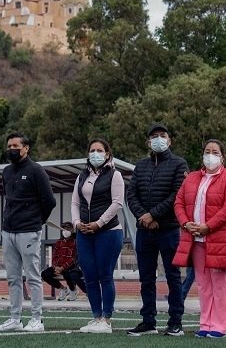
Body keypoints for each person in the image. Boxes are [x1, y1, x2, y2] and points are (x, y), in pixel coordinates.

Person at [173, 139, 226, 338]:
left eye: (214, 152)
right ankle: (206, 324)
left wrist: (207, 227)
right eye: (207, 151)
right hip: (195, 240)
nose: (210, 155)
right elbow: (178, 202)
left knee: (219, 283)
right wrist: (186, 224)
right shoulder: (192, 178)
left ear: (222, 157)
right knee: (203, 284)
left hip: (218, 238)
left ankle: (220, 326)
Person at [126, 123, 189, 337]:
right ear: (148, 141)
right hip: (144, 230)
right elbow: (131, 194)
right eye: (154, 136)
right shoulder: (140, 166)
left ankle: (175, 322)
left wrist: (153, 214)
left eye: (163, 135)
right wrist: (143, 217)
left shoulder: (179, 164)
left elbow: (177, 194)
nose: (158, 139)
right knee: (146, 278)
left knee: (173, 277)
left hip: (169, 229)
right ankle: (148, 321)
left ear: (169, 141)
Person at [0, 132, 57, 333]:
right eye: (9, 146)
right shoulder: (6, 172)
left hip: (28, 231)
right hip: (8, 231)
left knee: (32, 276)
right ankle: (15, 318)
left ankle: (37, 319)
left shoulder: (36, 170)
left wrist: (38, 221)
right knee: (13, 277)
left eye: (15, 146)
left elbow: (50, 201)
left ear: (26, 148)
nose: (11, 149)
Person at [71, 138, 124, 334]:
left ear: (107, 154)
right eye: (92, 150)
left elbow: (117, 203)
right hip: (84, 234)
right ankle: (95, 317)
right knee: (89, 276)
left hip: (108, 233)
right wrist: (77, 224)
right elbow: (75, 203)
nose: (95, 153)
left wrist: (98, 223)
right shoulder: (81, 176)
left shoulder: (114, 175)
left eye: (99, 150)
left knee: (105, 275)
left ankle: (106, 319)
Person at [40, 222, 86, 301]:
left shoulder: (76, 242)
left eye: (68, 229)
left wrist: (62, 267)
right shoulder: (59, 242)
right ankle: (63, 288)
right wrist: (56, 267)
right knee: (44, 274)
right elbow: (54, 256)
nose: (65, 231)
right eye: (63, 229)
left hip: (70, 267)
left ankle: (73, 290)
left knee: (69, 274)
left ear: (72, 230)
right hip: (58, 267)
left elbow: (74, 258)